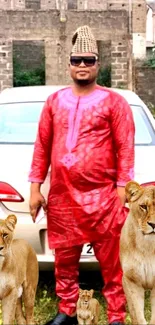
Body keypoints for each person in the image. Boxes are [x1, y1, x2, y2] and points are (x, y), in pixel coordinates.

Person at [29, 25, 135, 325]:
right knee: (64, 258)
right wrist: (36, 188)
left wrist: (122, 188)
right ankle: (67, 311)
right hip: (62, 197)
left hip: (103, 197)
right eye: (77, 60)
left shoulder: (115, 103)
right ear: (69, 64)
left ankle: (116, 315)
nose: (83, 66)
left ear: (98, 64)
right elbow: (42, 145)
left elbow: (126, 147)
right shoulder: (53, 102)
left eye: (89, 60)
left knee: (113, 263)